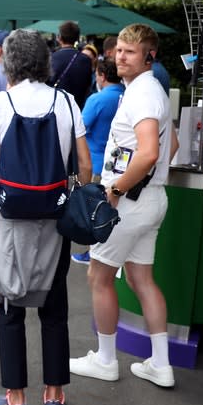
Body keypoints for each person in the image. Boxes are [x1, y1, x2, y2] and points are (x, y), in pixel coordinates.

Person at [0, 29, 92, 405]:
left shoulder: (1, 101)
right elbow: (82, 163)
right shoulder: (66, 101)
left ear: (10, 61)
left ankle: (15, 401)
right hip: (56, 214)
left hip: (10, 217)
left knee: (10, 304)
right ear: (45, 60)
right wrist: (71, 192)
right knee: (54, 304)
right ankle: (54, 396)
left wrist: (17, 180)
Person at [70, 24, 180, 388]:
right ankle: (160, 364)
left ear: (149, 56)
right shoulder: (150, 91)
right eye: (119, 50)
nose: (120, 56)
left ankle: (105, 360)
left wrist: (115, 188)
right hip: (150, 200)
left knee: (99, 277)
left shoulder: (142, 94)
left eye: (130, 52)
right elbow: (172, 146)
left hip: (129, 202)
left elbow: (149, 152)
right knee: (140, 278)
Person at [72, 59, 125, 265]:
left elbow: (80, 127)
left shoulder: (97, 99)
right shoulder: (126, 95)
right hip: (120, 162)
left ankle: (92, 251)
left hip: (95, 162)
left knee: (93, 211)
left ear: (102, 75)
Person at [49, 21, 93, 110]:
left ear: (59, 38)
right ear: (77, 38)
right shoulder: (86, 60)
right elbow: (88, 86)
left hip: (56, 108)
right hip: (79, 107)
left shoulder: (51, 58)